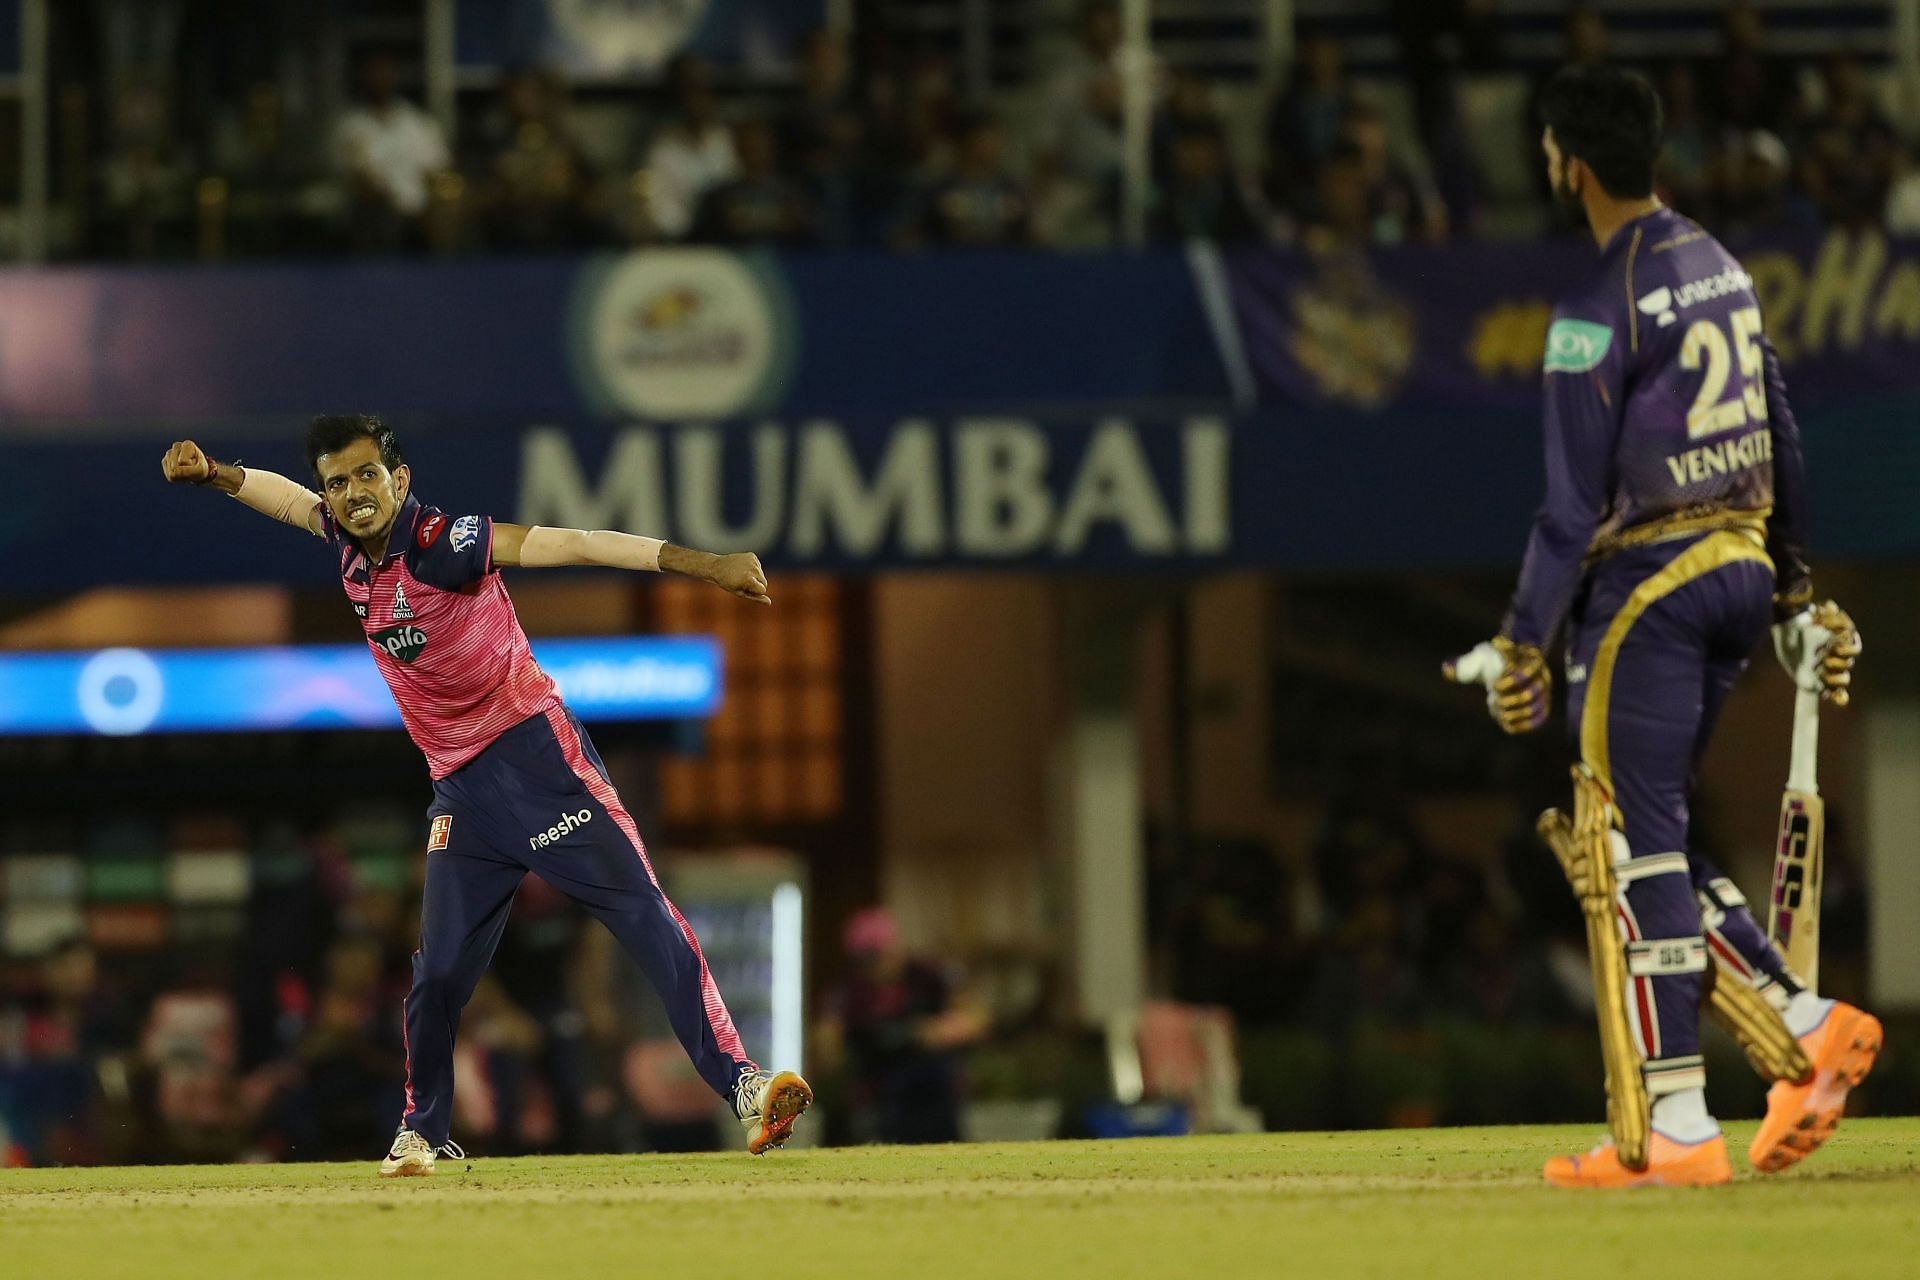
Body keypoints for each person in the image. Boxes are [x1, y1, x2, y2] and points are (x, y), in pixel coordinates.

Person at [159, 415, 810, 1176]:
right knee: (437, 973)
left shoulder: (443, 541)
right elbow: (286, 501)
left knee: (641, 914)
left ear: (399, 481)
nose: (350, 494)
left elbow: (574, 542)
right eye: (338, 483)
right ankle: (422, 1133)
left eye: (366, 476)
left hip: (539, 761)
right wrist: (216, 475)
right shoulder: (345, 541)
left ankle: (743, 1086)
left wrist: (703, 564)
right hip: (462, 796)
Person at [1445, 66, 1875, 1188]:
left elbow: (1569, 504)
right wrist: (1788, 588)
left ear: (1566, 164)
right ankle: (1797, 1018)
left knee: (1631, 850)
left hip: (1651, 592)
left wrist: (1525, 639)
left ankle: (1682, 1119)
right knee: (1663, 842)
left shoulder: (1595, 308)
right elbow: (1782, 424)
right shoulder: (1720, 265)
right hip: (1735, 570)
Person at [815, 908, 986, 1145]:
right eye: (868, 957)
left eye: (881, 953)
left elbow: (975, 1019)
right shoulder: (849, 991)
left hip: (933, 1090)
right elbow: (828, 1041)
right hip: (878, 1096)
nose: (877, 963)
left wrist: (932, 1031)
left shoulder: (926, 976)